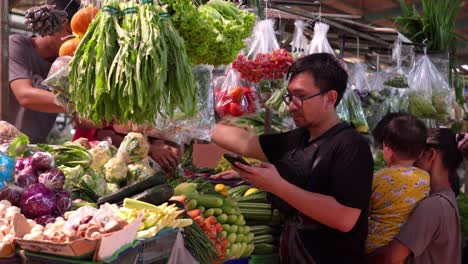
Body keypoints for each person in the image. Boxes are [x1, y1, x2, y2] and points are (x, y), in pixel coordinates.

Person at [212, 53, 374, 263]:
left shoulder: (351, 146)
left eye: (301, 96)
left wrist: (277, 186)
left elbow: (344, 218)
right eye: (289, 96)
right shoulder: (299, 138)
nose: (291, 105)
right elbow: (247, 143)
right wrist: (196, 128)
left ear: (330, 98)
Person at [369, 127, 462, 264]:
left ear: (430, 154)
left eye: (415, 153)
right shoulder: (447, 199)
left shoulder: (434, 205)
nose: (410, 160)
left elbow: (390, 258)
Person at [8, 0, 80, 143]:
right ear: (60, 25)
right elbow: (25, 95)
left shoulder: (66, 64)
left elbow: (80, 118)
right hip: (5, 146)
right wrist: (76, 104)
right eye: (74, 35)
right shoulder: (17, 45)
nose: (77, 43)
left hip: (36, 148)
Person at [366, 115, 430, 254]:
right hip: (406, 245)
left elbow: (365, 210)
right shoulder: (425, 179)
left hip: (374, 247)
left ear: (387, 150)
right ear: (420, 153)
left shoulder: (377, 178)